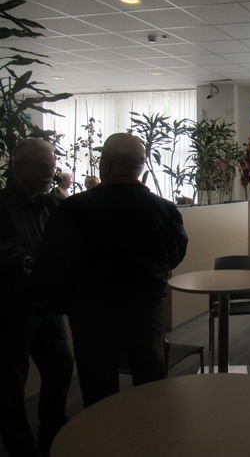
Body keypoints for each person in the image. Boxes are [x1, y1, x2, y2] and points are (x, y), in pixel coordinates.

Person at [34, 133, 188, 407]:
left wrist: (61, 304)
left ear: (105, 165)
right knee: (150, 381)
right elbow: (175, 256)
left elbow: (54, 263)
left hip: (91, 317)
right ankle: (154, 429)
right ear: (140, 167)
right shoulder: (165, 210)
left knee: (98, 389)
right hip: (146, 312)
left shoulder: (73, 210)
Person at [0, 138, 74, 457]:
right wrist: (22, 260)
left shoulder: (49, 205)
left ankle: (52, 434)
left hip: (46, 305)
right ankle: (20, 448)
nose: (50, 174)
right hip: (10, 311)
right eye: (43, 168)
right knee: (10, 384)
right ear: (18, 168)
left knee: (60, 368)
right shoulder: (2, 205)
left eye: (52, 167)